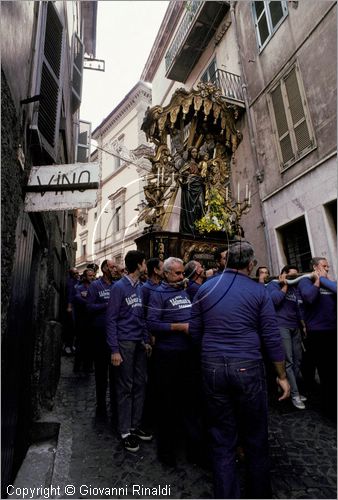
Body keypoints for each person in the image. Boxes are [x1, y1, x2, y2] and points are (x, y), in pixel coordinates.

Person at [189, 241, 290, 499]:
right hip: (247, 366)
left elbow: (195, 332)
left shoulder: (205, 288)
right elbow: (271, 337)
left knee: (222, 439)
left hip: (212, 366)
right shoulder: (258, 292)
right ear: (249, 264)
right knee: (255, 437)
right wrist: (282, 376)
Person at [146, 257, 195, 466]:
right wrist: (179, 327)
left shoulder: (184, 291)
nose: (182, 276)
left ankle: (189, 448)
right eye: (177, 273)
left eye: (183, 273)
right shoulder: (158, 294)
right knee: (167, 403)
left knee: (188, 402)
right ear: (165, 274)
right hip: (167, 355)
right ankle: (167, 452)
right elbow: (152, 323)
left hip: (187, 353)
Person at [106, 250, 152, 452]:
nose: (146, 266)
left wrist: (145, 339)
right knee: (126, 387)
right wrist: (114, 349)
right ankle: (125, 431)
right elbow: (111, 319)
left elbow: (140, 316)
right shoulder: (119, 287)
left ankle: (136, 424)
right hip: (124, 342)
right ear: (139, 265)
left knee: (141, 383)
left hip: (138, 343)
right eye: (144, 263)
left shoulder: (140, 288)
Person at [298, 257, 337, 419]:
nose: (327, 268)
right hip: (318, 333)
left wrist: (324, 279)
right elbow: (309, 298)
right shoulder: (305, 282)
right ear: (314, 267)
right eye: (324, 266)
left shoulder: (329, 281)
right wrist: (317, 281)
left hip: (333, 331)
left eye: (328, 266)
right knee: (326, 372)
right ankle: (330, 410)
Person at [267, 265, 306, 410]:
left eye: (296, 276)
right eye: (291, 276)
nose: (294, 279)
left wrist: (303, 325)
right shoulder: (273, 284)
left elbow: (298, 308)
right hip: (281, 325)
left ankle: (290, 386)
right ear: (283, 274)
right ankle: (295, 394)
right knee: (288, 361)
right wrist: (284, 285)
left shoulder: (295, 288)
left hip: (295, 326)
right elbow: (274, 301)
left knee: (298, 359)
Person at [86, 259, 116, 418]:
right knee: (101, 372)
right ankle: (101, 405)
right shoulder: (95, 286)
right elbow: (89, 307)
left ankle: (114, 404)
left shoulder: (116, 286)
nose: (115, 269)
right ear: (104, 269)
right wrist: (106, 305)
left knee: (115, 372)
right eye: (112, 267)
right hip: (99, 336)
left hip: (115, 336)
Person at [73, 268, 96, 374]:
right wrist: (90, 302)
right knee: (80, 344)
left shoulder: (95, 287)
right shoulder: (79, 287)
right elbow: (78, 298)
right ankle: (77, 367)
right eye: (90, 276)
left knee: (91, 344)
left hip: (92, 320)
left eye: (93, 275)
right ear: (85, 277)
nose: (92, 277)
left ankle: (88, 366)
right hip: (81, 320)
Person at [179, 146, 205, 235]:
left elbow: (203, 176)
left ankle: (201, 227)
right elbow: (181, 176)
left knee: (201, 206)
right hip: (190, 189)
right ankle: (191, 229)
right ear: (190, 153)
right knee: (191, 209)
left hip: (199, 187)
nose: (195, 154)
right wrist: (186, 176)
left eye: (196, 152)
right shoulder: (187, 164)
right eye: (193, 152)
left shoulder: (199, 165)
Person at [64, 267, 80, 354]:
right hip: (72, 307)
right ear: (71, 275)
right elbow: (69, 296)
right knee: (71, 327)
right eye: (75, 273)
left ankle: (72, 345)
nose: (77, 275)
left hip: (77, 307)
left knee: (75, 327)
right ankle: (67, 345)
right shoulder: (70, 283)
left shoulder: (78, 281)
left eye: (78, 273)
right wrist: (69, 307)